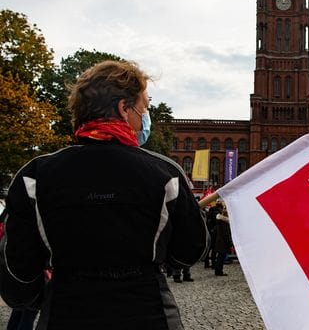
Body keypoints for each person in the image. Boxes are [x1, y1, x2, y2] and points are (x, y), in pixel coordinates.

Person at [0, 60, 208, 329]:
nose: (144, 116)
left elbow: (19, 269)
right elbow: (192, 249)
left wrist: (44, 294)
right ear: (124, 108)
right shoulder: (165, 173)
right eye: (143, 107)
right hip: (147, 312)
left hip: (65, 312)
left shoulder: (35, 176)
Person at [214, 206, 232, 276]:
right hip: (223, 242)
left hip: (219, 241)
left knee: (220, 257)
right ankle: (219, 271)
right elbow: (226, 234)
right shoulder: (224, 222)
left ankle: (218, 271)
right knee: (221, 258)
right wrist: (229, 243)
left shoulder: (220, 220)